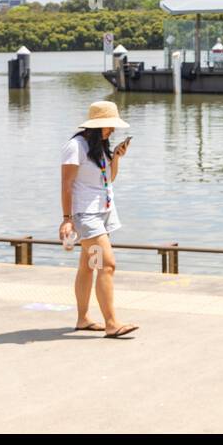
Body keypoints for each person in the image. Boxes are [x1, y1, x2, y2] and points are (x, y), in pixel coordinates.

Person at [60, 100, 138, 338]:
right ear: (96, 126)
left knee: (88, 267)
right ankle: (112, 323)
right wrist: (67, 218)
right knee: (107, 265)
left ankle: (83, 319)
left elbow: (108, 179)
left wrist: (116, 157)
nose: (112, 130)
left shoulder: (100, 147)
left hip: (102, 213)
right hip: (86, 215)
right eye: (108, 126)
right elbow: (67, 184)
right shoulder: (76, 146)